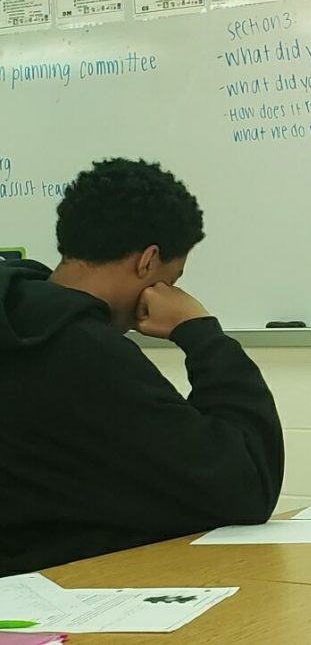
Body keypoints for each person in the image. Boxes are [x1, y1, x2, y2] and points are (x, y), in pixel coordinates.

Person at [0, 158, 284, 577]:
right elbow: (245, 485)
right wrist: (200, 333)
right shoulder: (82, 350)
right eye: (173, 277)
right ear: (148, 261)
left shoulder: (20, 318)